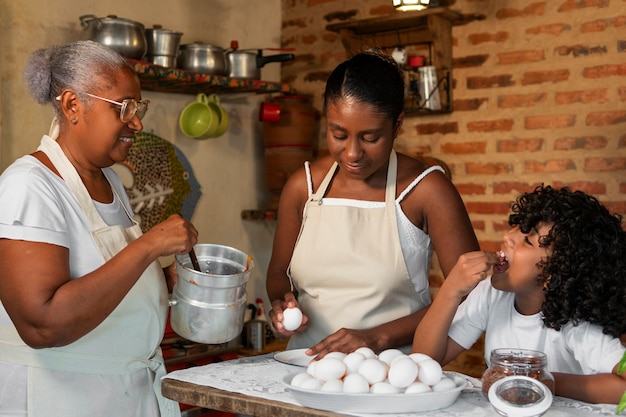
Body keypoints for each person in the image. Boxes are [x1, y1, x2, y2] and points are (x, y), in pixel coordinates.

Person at [0, 41, 198, 417]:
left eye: (138, 108)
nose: (136, 122)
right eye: (123, 107)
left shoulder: (110, 182)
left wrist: (157, 280)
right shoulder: (30, 186)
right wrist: (149, 246)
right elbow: (41, 326)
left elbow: (104, 275)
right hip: (61, 399)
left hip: (123, 396)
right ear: (74, 105)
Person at [265, 50, 479, 358]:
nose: (352, 153)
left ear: (397, 125)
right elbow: (278, 272)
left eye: (370, 138)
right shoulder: (304, 186)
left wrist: (377, 338)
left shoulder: (427, 190)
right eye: (338, 134)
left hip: (395, 374)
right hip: (305, 369)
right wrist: (282, 305)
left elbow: (472, 298)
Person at [412, 184, 626, 404]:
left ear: (555, 273)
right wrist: (450, 291)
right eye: (518, 227)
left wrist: (544, 380)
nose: (509, 237)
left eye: (527, 240)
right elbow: (423, 363)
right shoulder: (490, 294)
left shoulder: (576, 322)